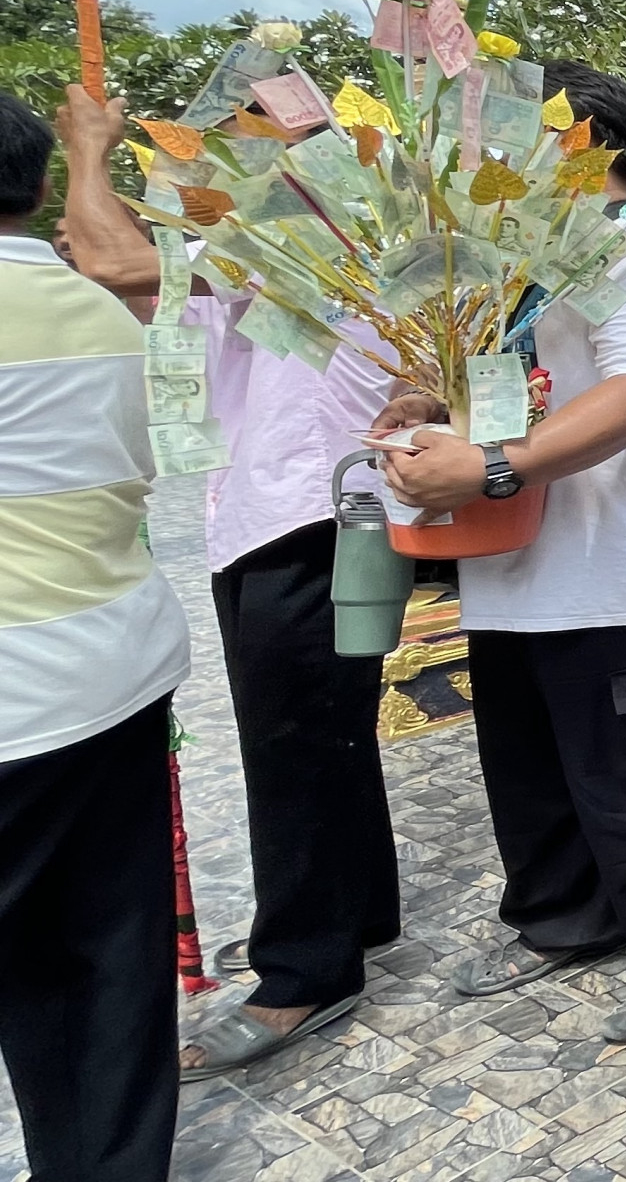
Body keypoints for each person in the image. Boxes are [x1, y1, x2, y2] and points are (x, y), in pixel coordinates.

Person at [377, 63, 626, 1042]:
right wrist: (436, 414)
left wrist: (492, 468)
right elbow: (519, 386)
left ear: (580, 140)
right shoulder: (523, 266)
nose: (486, 161)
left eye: (503, 136)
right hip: (519, 569)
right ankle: (565, 916)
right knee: (534, 767)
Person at [55, 83, 407, 1078]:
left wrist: (88, 150)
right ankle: (356, 912)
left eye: (249, 127)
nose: (223, 146)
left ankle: (305, 970)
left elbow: (108, 259)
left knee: (294, 746)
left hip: (306, 521)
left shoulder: (309, 225)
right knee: (326, 734)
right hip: (282, 514)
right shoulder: (286, 234)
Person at [0, 93, 190, 1182]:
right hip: (111, 670)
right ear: (34, 188)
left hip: (19, 690)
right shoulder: (104, 314)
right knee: (105, 952)